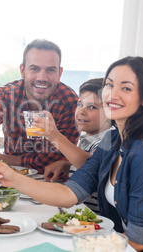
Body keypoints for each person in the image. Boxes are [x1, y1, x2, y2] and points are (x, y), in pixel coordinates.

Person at [0, 56, 143, 251]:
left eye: (125, 88)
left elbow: (139, 240)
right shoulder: (112, 139)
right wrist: (13, 179)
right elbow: (69, 193)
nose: (112, 94)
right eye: (109, 85)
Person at [0, 39, 79, 174]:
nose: (42, 77)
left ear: (59, 73)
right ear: (22, 70)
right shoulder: (8, 93)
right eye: (34, 69)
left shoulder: (69, 101)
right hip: (9, 177)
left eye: (50, 70)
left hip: (51, 182)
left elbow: (49, 162)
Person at [35, 78, 112, 214]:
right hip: (79, 213)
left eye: (92, 107)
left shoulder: (110, 138)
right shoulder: (85, 138)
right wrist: (67, 166)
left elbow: (92, 169)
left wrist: (54, 136)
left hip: (98, 220)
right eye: (80, 104)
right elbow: (85, 161)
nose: (82, 111)